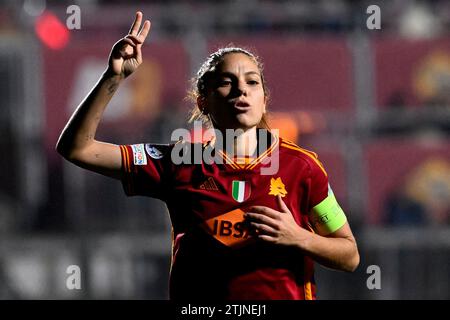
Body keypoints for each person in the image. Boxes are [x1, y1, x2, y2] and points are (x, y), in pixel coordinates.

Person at [56, 11, 359, 300]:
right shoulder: (179, 161)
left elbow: (349, 255)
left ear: (264, 101)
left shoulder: (302, 167)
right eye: (227, 82)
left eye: (252, 82)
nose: (242, 90)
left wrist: (299, 237)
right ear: (203, 102)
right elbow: (78, 148)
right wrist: (114, 77)